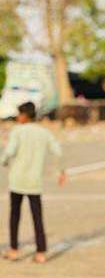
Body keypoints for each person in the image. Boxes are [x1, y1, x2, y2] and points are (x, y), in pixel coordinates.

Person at [1, 101, 66, 263]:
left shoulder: (17, 131)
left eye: (19, 114)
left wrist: (3, 161)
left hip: (17, 180)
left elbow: (10, 150)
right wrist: (61, 171)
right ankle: (41, 252)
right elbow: (57, 150)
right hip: (34, 181)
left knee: (15, 215)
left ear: (24, 115)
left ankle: (14, 250)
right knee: (37, 216)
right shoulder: (43, 133)